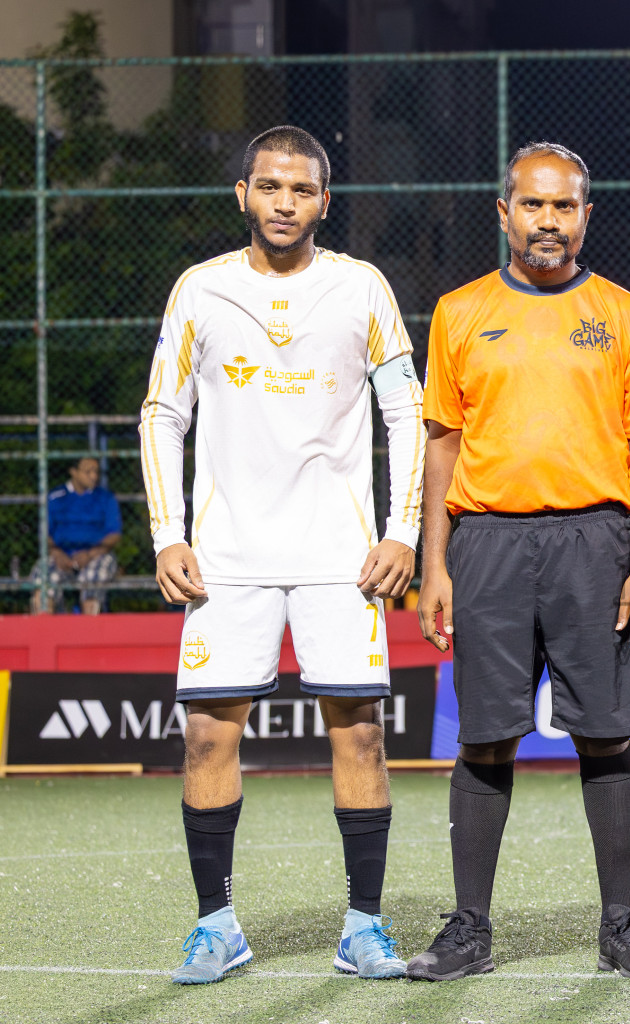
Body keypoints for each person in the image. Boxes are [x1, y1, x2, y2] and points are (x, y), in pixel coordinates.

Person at [140, 125, 425, 984]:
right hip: (225, 557)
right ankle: (217, 926)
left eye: (301, 191)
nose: (284, 203)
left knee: (362, 737)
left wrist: (400, 529)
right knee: (206, 740)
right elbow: (163, 412)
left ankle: (364, 927)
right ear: (244, 195)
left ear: (323, 202)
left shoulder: (360, 288)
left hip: (342, 556)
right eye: (270, 187)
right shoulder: (201, 291)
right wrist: (168, 530)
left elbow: (405, 413)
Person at [407, 141, 630, 982]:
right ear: (505, 212)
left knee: (604, 734)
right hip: (487, 543)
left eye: (564, 207)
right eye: (533, 205)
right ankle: (469, 930)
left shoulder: (625, 314)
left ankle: (621, 929)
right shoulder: (459, 311)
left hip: (598, 543)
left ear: (585, 215)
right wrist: (435, 563)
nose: (548, 221)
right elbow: (442, 449)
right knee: (487, 740)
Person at [33, 456, 122, 614]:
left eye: (96, 471)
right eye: (88, 471)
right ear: (73, 472)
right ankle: (45, 635)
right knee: (42, 592)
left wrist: (90, 554)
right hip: (60, 557)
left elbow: (114, 535)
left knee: (91, 595)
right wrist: (57, 553)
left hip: (96, 556)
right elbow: (44, 533)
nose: (94, 476)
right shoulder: (55, 497)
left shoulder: (106, 498)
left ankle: (89, 637)